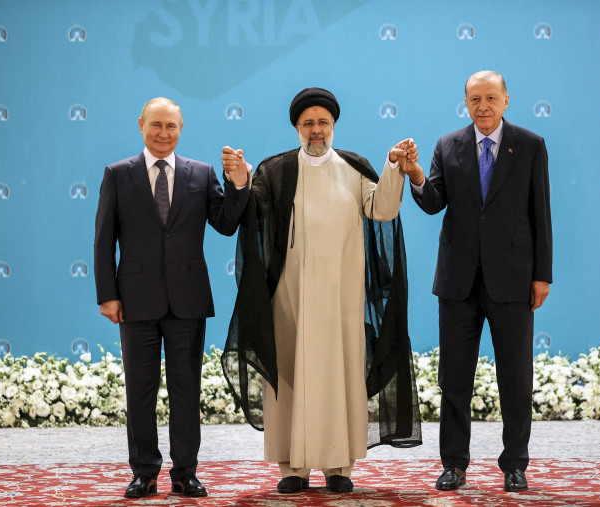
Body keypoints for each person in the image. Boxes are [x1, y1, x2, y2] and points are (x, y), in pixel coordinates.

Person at [220, 87, 422, 494]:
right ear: (297, 127)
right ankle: (291, 469)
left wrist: (394, 166)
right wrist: (240, 181)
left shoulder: (354, 167)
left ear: (334, 126)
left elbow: (382, 209)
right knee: (290, 379)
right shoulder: (275, 170)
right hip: (289, 298)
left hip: (342, 300)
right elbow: (253, 210)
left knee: (339, 377)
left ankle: (338, 466)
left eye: (323, 122)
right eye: (308, 123)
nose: (316, 130)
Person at [93, 97, 249, 498]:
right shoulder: (117, 173)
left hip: (188, 301)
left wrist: (239, 184)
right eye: (156, 125)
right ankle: (144, 472)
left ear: (182, 129)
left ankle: (185, 473)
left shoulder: (202, 173)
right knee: (139, 390)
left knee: (186, 389)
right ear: (141, 124)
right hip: (135, 300)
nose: (163, 134)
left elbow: (226, 224)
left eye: (172, 127)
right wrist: (107, 295)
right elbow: (103, 240)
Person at [407, 71, 552, 492]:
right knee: (454, 378)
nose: (483, 106)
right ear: (465, 103)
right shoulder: (446, 146)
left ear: (506, 100)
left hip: (513, 279)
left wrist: (542, 274)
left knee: (515, 376)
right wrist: (416, 173)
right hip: (458, 282)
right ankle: (454, 463)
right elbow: (434, 203)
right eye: (475, 99)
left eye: (491, 98)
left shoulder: (529, 145)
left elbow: (540, 212)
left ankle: (515, 464)